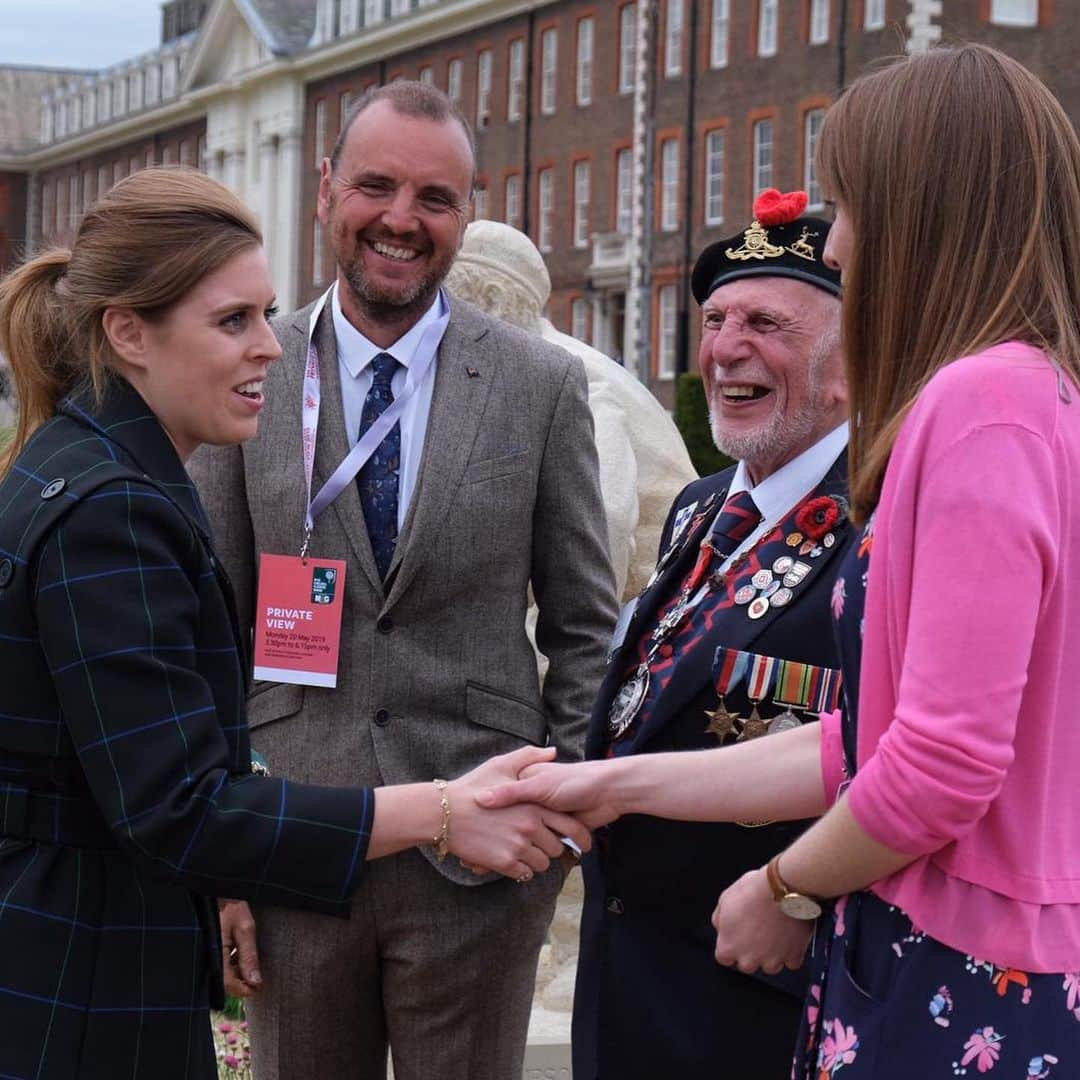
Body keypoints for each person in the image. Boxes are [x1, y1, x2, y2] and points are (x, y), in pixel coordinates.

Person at [483, 44, 1080, 1079]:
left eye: (850, 208)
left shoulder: (977, 408)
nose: (839, 245)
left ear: (920, 214)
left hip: (958, 973)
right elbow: (875, 739)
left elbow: (938, 767)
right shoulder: (1035, 397)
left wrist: (788, 886)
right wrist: (618, 783)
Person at [0, 167, 592, 1079]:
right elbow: (178, 807)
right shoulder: (113, 508)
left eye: (263, 313)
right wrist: (441, 810)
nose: (269, 348)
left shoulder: (90, 468)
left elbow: (583, 621)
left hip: (109, 940)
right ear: (128, 332)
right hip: (91, 968)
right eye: (233, 321)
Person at [188, 82, 617, 1080]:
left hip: (480, 863)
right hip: (293, 847)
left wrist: (554, 822)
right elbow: (209, 625)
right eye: (376, 186)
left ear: (468, 213)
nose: (400, 219)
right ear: (328, 190)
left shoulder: (538, 384)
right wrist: (224, 868)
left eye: (434, 197)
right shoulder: (250, 367)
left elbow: (586, 626)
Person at [525, 189, 850, 1079]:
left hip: (764, 1003)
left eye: (766, 323)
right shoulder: (704, 508)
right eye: (714, 321)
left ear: (849, 363)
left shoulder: (891, 516)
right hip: (627, 991)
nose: (725, 349)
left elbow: (900, 758)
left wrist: (803, 893)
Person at [445, 219, 698, 601]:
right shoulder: (525, 368)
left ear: (493, 301)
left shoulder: (574, 378)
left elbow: (605, 527)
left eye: (446, 303)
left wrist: (551, 651)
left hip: (647, 608)